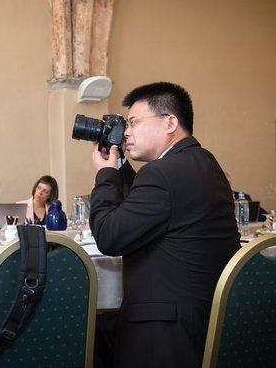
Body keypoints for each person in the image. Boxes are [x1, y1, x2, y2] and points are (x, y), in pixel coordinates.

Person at [90, 82, 240, 368]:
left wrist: (106, 175)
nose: (127, 132)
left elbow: (109, 237)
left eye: (133, 122)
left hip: (164, 331)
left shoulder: (161, 173)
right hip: (204, 318)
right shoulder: (204, 163)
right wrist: (120, 165)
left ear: (170, 122)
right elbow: (152, 208)